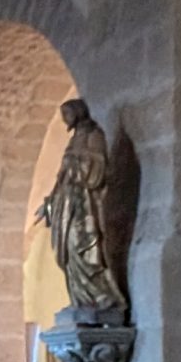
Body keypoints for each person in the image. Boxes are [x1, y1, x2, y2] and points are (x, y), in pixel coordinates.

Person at [36, 99, 126, 318]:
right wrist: (49, 203)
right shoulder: (74, 138)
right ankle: (81, 298)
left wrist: (76, 164)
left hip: (84, 205)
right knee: (69, 252)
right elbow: (61, 179)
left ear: (78, 113)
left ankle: (99, 296)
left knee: (83, 245)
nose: (65, 119)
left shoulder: (94, 135)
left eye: (67, 114)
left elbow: (98, 169)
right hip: (66, 203)